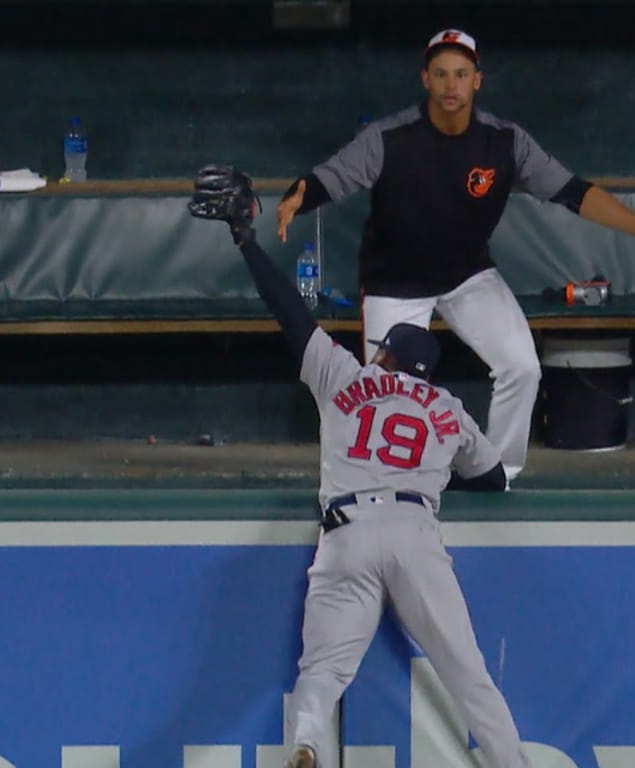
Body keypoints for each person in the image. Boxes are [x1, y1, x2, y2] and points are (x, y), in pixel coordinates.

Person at [189, 165, 532, 768]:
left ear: (385, 354)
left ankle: (306, 742)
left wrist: (246, 238)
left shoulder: (347, 374)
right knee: (469, 675)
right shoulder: (448, 409)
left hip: (346, 531)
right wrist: (439, 468)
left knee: (321, 671)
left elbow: (289, 313)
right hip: (414, 531)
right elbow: (493, 476)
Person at [273, 28, 635, 482]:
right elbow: (332, 177)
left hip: (467, 275)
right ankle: (401, 485)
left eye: (461, 74)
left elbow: (572, 191)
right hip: (394, 283)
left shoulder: (505, 142)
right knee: (388, 394)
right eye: (441, 74)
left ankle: (498, 475)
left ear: (478, 80)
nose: (451, 85)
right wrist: (297, 199)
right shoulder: (390, 137)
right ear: (425, 80)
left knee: (522, 367)